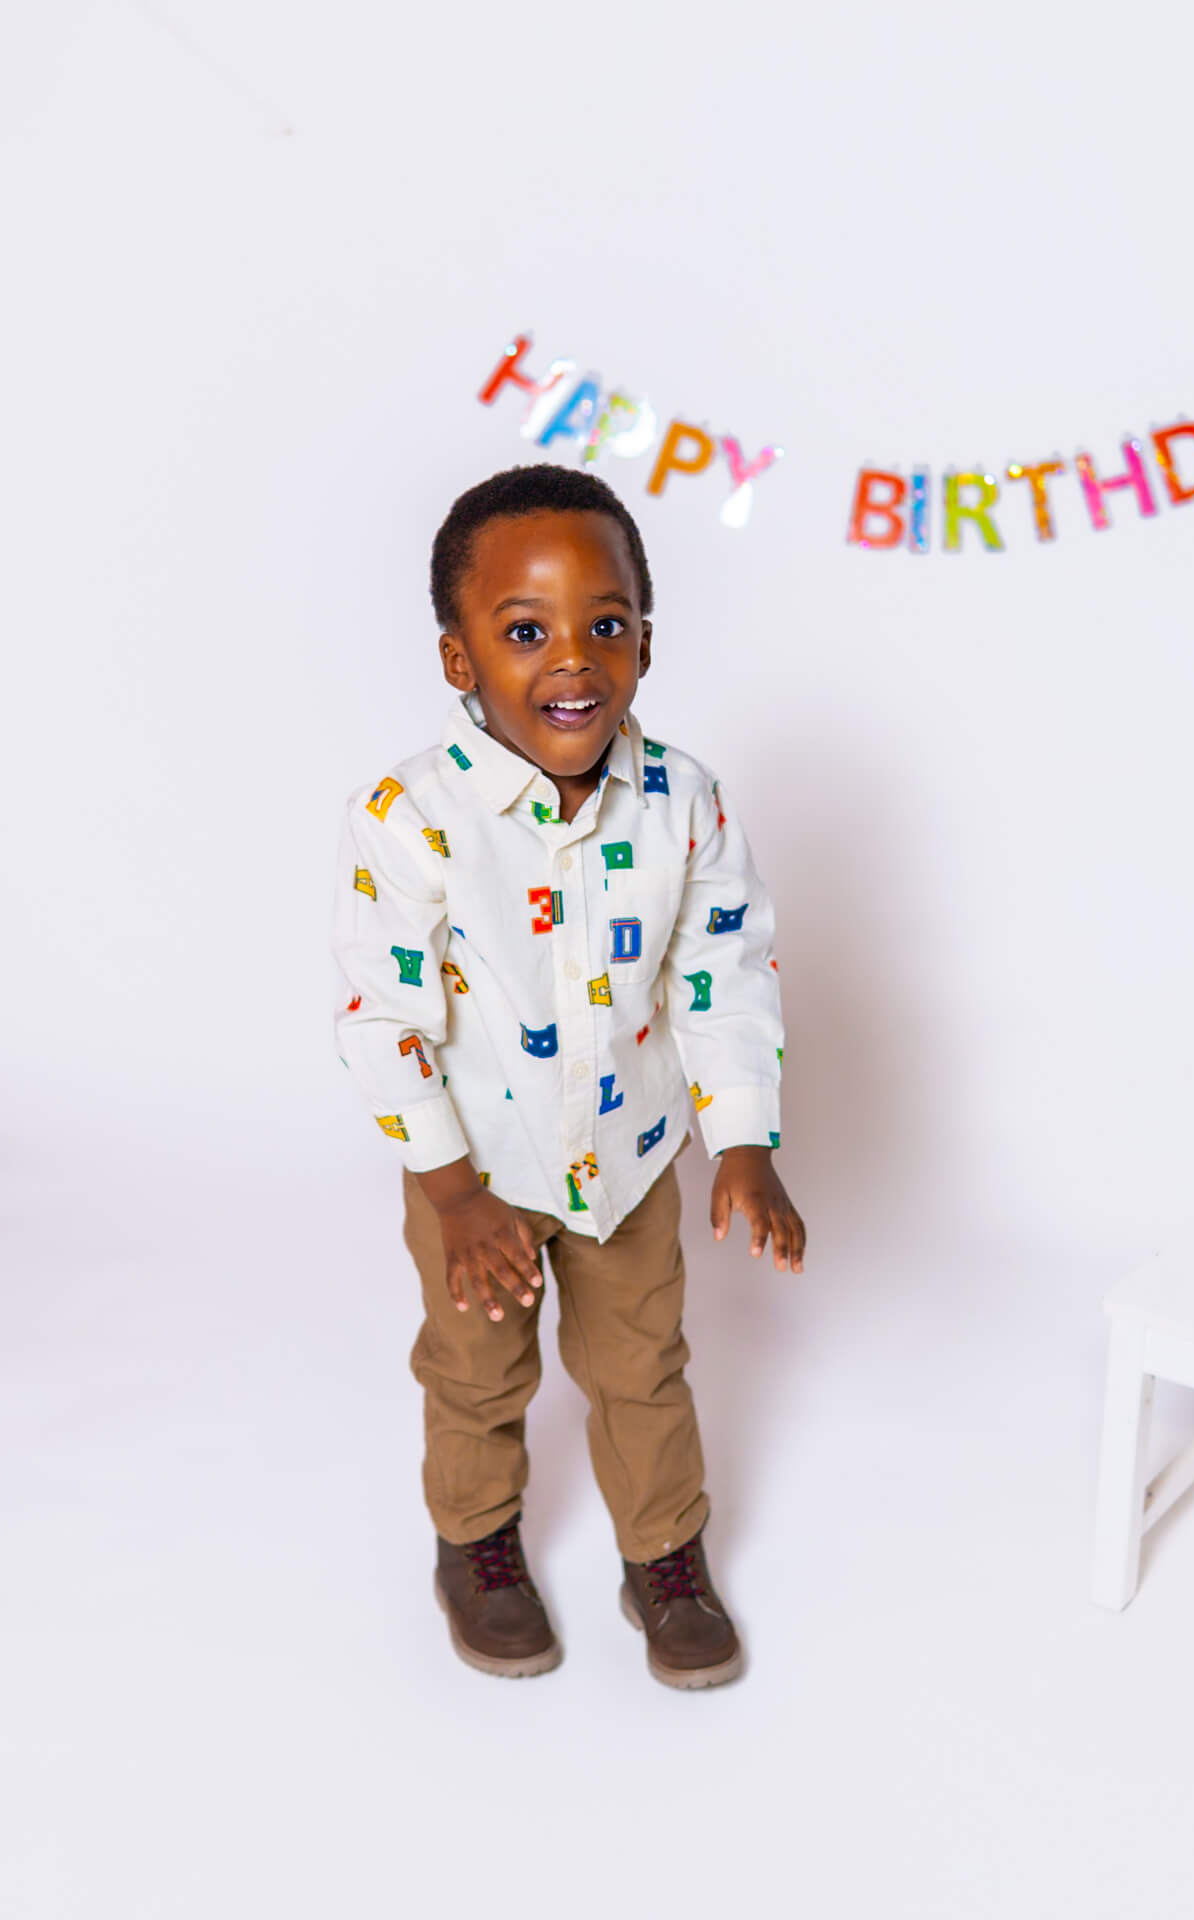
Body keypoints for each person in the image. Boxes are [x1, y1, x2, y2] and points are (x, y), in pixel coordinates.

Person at [331, 462, 806, 1690]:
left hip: (632, 1157)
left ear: (646, 640)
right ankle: (474, 1539)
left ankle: (663, 1548)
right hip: (474, 1171)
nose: (571, 658)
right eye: (524, 630)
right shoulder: (411, 817)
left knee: (643, 1364)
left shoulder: (682, 801)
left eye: (605, 624)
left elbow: (723, 967)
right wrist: (449, 1193)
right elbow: (382, 1017)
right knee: (478, 1367)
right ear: (458, 658)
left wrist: (743, 1138)